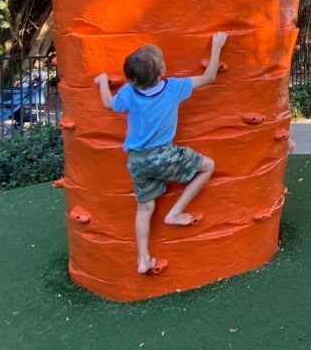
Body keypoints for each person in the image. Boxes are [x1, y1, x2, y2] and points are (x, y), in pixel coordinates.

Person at [94, 32, 227, 275]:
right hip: (164, 155)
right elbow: (209, 76)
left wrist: (102, 81)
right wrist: (217, 46)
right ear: (160, 73)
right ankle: (175, 212)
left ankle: (143, 259)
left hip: (137, 161)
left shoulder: (127, 92)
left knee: (144, 209)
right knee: (207, 166)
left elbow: (106, 104)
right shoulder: (173, 88)